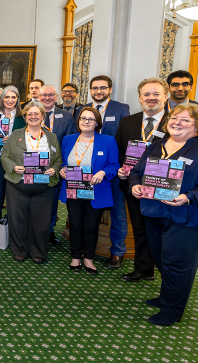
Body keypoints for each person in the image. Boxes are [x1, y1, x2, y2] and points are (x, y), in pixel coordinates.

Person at [128, 104, 198, 326]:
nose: (177, 122)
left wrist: (189, 196)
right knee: (162, 259)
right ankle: (167, 297)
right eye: (174, 118)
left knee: (178, 264)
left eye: (185, 120)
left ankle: (172, 310)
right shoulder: (156, 146)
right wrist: (136, 185)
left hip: (189, 216)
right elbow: (137, 172)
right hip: (154, 213)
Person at [115, 78, 170, 283]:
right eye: (146, 94)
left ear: (166, 96)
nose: (151, 98)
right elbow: (121, 150)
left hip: (164, 188)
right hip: (134, 185)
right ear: (139, 98)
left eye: (156, 94)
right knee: (139, 228)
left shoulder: (175, 121)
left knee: (163, 231)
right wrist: (121, 169)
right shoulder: (128, 121)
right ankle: (144, 268)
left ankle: (168, 273)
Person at [76, 75, 131, 270]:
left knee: (117, 212)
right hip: (83, 170)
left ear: (110, 89)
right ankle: (81, 249)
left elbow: (123, 137)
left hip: (111, 168)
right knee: (82, 210)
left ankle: (117, 252)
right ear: (90, 90)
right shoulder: (81, 109)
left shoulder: (121, 108)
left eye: (103, 88)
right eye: (95, 88)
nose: (98, 91)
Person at [58, 107, 119, 275]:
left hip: (95, 191)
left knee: (91, 227)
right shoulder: (68, 140)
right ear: (78, 121)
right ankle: (76, 257)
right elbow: (63, 161)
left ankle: (89, 259)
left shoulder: (108, 141)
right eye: (83, 118)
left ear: (97, 122)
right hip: (73, 190)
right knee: (76, 226)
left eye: (91, 119)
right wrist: (62, 170)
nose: (86, 122)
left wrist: (103, 172)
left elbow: (114, 165)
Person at [0, 100, 62, 264]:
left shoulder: (51, 137)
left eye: (37, 114)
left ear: (43, 116)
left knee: (41, 221)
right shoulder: (15, 135)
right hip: (18, 184)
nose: (33, 117)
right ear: (25, 116)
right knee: (17, 219)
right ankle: (19, 250)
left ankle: (38, 251)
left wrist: (54, 169)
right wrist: (14, 167)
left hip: (44, 186)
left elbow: (58, 160)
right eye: (30, 114)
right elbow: (4, 156)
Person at [0, 86, 26, 242]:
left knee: (15, 201)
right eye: (6, 97)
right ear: (1, 99)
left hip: (16, 165)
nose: (10, 100)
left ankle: (14, 236)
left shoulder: (23, 119)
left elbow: (26, 142)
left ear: (17, 100)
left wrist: (13, 143)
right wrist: (1, 152)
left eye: (13, 97)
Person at [39, 84, 77, 243]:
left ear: (56, 97)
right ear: (39, 97)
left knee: (52, 199)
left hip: (56, 165)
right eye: (44, 95)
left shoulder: (66, 116)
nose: (47, 98)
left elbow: (69, 143)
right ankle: (33, 228)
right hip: (33, 164)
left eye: (50, 95)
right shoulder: (32, 114)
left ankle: (49, 229)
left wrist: (61, 165)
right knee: (34, 197)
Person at [166, 70, 198, 141]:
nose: (180, 88)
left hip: (192, 150)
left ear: (191, 87)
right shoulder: (158, 107)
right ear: (168, 87)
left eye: (185, 84)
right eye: (175, 84)